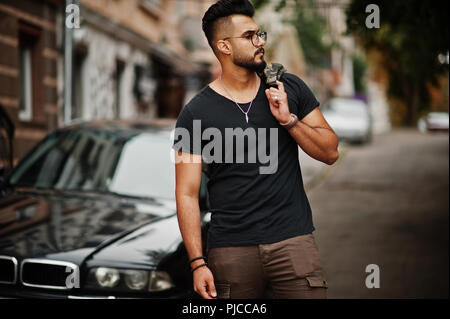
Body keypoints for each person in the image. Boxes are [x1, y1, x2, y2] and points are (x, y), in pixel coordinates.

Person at [173, 0, 339, 299]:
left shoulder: (288, 87)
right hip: (231, 252)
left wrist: (290, 121)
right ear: (224, 46)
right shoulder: (194, 114)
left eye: (259, 33)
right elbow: (186, 192)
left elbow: (330, 152)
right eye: (249, 36)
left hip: (293, 242)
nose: (260, 41)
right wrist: (198, 263)